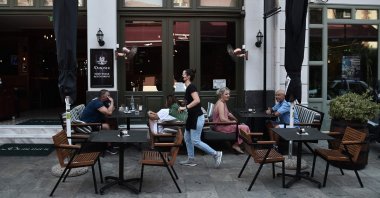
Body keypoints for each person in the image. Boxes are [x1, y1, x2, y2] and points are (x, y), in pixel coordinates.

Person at [178, 69, 222, 167]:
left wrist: (185, 107)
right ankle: (191, 159)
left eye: (183, 74)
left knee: (195, 141)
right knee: (187, 138)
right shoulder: (188, 87)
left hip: (197, 117)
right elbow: (191, 102)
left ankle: (216, 154)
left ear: (188, 76)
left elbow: (197, 100)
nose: (182, 75)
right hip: (191, 117)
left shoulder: (191, 87)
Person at [212, 87, 249, 154]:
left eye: (229, 94)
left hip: (223, 125)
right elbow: (222, 119)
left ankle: (241, 144)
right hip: (221, 126)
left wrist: (236, 120)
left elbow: (229, 114)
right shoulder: (220, 104)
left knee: (243, 125)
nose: (228, 95)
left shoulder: (223, 102)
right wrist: (232, 122)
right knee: (245, 127)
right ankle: (236, 144)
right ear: (221, 95)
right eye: (226, 94)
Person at [81, 89, 117, 154]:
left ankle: (110, 142)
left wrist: (110, 108)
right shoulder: (97, 103)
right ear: (103, 96)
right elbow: (109, 112)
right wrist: (112, 101)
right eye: (108, 96)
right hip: (88, 125)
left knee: (113, 123)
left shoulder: (101, 101)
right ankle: (109, 147)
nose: (110, 97)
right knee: (106, 126)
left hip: (94, 122)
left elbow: (110, 110)